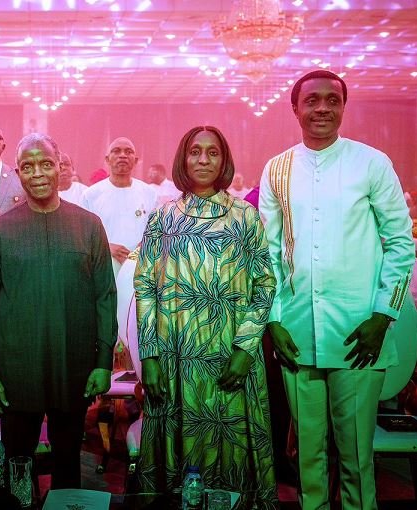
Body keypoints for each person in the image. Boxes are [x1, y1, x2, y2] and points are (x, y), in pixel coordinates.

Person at [259, 69, 415, 510]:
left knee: (356, 460)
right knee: (307, 457)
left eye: (332, 100)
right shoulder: (278, 168)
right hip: (297, 334)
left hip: (359, 335)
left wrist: (383, 318)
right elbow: (268, 254)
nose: (322, 108)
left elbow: (400, 246)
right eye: (312, 101)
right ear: (295, 109)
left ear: (344, 107)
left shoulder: (372, 162)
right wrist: (273, 320)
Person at [135, 126, 277, 509]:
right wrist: (148, 356)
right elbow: (145, 284)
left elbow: (265, 284)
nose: (203, 160)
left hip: (232, 354)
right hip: (175, 354)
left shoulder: (245, 216)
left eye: (212, 152)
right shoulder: (163, 217)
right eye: (195, 152)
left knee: (231, 451)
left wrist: (247, 348)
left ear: (223, 160)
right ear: (183, 158)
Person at [0, 133, 117, 489]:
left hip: (74, 367)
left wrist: (102, 363)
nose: (37, 173)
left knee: (69, 461)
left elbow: (105, 297)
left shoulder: (88, 225)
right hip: (16, 371)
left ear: (59, 168)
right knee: (17, 464)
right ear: (18, 172)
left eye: (46, 164)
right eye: (27, 166)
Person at [82, 138, 158, 270]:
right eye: (116, 151)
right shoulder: (91, 195)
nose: (122, 155)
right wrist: (106, 247)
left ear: (135, 160)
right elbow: (83, 234)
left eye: (128, 151)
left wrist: (146, 244)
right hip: (103, 265)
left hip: (141, 266)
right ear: (107, 159)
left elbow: (158, 230)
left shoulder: (149, 193)